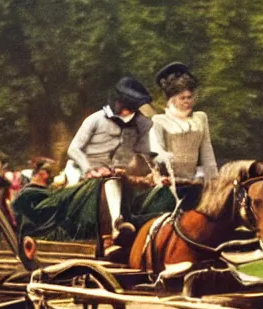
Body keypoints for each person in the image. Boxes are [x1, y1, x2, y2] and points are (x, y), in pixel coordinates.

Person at [67, 76, 161, 243]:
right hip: (91, 178)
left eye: (132, 108)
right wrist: (90, 169)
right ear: (116, 102)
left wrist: (158, 172)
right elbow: (73, 149)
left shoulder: (140, 125)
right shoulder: (95, 120)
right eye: (124, 106)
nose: (127, 112)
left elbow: (147, 153)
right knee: (112, 181)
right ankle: (116, 229)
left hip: (124, 178)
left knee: (151, 192)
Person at [150, 62, 218, 209]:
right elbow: (156, 151)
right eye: (182, 98)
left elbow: (207, 151)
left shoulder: (200, 118)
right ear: (172, 99)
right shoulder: (159, 120)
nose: (187, 101)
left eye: (189, 97)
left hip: (196, 181)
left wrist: (213, 179)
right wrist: (165, 158)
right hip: (169, 183)